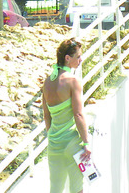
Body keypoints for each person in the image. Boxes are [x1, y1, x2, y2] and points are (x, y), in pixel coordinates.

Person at [43, 38, 91, 193]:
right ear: (67, 58)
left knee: (55, 189)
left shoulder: (47, 82)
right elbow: (78, 114)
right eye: (78, 56)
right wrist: (86, 143)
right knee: (77, 189)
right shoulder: (73, 80)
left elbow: (47, 116)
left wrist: (53, 136)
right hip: (72, 143)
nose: (80, 60)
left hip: (54, 144)